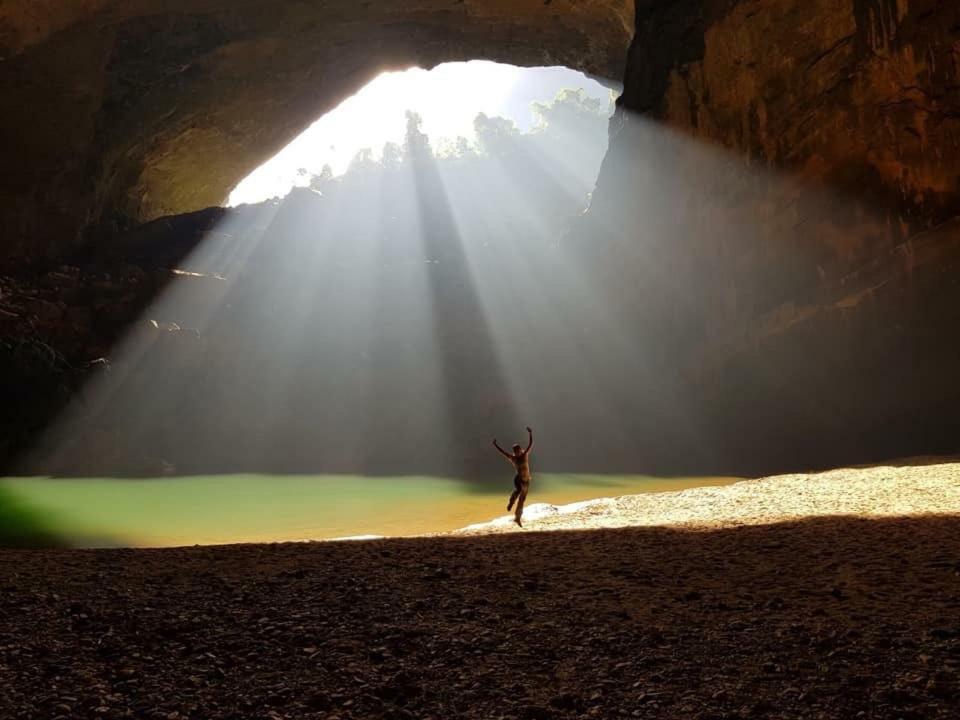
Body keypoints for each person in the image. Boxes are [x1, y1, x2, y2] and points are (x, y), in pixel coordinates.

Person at [492, 426, 534, 527]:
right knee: (519, 491)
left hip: (527, 480)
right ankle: (511, 502)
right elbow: (503, 452)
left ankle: (517, 518)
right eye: (515, 451)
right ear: (514, 452)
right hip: (518, 479)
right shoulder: (513, 458)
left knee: (522, 500)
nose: (517, 453)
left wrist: (530, 433)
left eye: (518, 451)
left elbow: (530, 444)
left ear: (520, 450)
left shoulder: (524, 455)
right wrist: (495, 445)